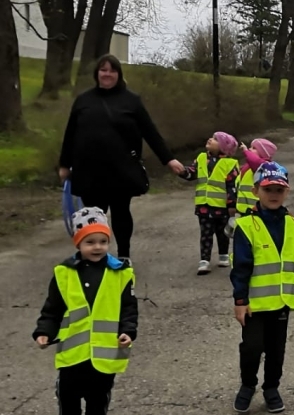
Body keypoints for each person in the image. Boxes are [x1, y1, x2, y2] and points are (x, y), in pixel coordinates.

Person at [57, 54, 186, 258]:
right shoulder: (83, 100)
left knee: (121, 212)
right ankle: (93, 257)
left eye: (112, 70)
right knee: (93, 215)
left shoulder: (131, 101)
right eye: (103, 70)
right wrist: (64, 165)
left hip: (120, 170)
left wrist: (169, 159)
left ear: (118, 74)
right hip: (89, 170)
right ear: (97, 73)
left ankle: (124, 256)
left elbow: (149, 132)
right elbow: (70, 134)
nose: (107, 74)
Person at [33, 207, 136, 415]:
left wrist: (128, 331)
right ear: (78, 243)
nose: (97, 247)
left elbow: (128, 309)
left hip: (105, 349)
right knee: (67, 390)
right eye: (90, 242)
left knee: (98, 395)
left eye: (103, 241)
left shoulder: (120, 273)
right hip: (73, 349)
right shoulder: (64, 273)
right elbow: (53, 308)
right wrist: (44, 331)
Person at [229, 162, 294, 415]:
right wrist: (240, 301)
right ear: (256, 191)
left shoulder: (293, 225)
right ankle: (248, 385)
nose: (273, 194)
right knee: (251, 347)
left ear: (287, 192)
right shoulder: (246, 226)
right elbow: (240, 267)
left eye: (279, 190)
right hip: (255, 304)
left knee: (276, 349)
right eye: (268, 189)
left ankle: (271, 388)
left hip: (282, 302)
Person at [179, 131, 239, 274]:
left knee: (222, 233)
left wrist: (232, 205)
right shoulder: (201, 158)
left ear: (223, 147)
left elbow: (233, 186)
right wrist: (182, 171)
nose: (210, 140)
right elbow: (192, 173)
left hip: (221, 207)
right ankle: (204, 260)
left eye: (215, 139)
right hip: (204, 205)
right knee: (206, 233)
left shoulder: (230, 164)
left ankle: (223, 255)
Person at [234, 138, 279, 217]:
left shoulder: (264, 165)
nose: (250, 149)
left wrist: (245, 151)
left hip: (254, 210)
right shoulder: (249, 166)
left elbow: (254, 161)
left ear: (263, 153)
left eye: (254, 148)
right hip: (242, 208)